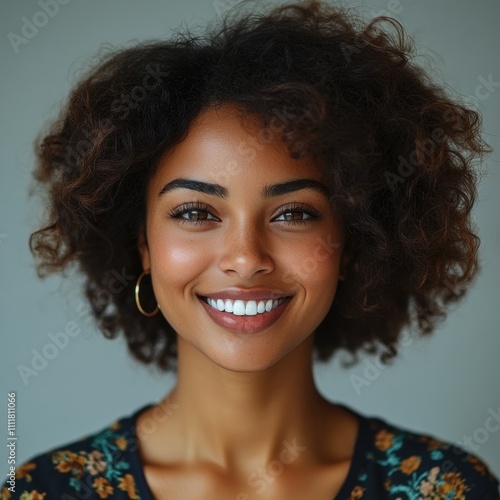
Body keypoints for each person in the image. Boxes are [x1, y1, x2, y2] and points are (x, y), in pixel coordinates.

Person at [2, 0, 499, 498]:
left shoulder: (450, 489)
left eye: (294, 214)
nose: (245, 257)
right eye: (196, 213)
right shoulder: (44, 490)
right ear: (144, 245)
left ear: (354, 244)